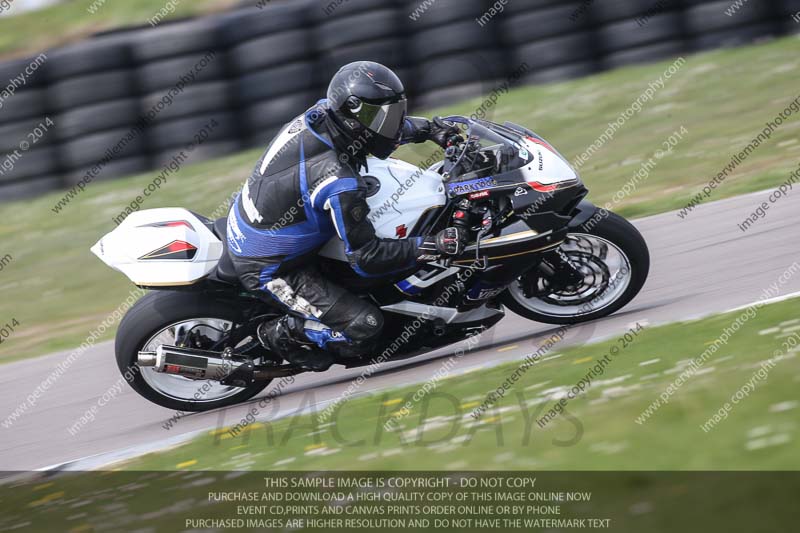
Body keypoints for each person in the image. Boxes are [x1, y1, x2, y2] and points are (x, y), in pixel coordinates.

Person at [226, 61, 466, 371]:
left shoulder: (324, 114)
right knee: (365, 326)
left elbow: (379, 131)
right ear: (353, 117)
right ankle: (280, 333)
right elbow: (367, 258)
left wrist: (430, 129)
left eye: (395, 112)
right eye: (383, 116)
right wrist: (433, 244)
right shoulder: (337, 179)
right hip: (271, 268)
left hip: (261, 220)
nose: (393, 122)